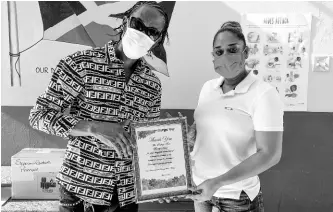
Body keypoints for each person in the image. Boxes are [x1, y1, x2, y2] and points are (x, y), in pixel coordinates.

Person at [29, 2, 173, 212]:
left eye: (152, 31)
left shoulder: (152, 85)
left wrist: (161, 179)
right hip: (80, 190)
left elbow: (146, 143)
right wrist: (94, 128)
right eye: (138, 24)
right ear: (125, 21)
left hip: (126, 194)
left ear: (157, 39)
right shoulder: (80, 64)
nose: (142, 33)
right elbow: (39, 116)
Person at [186, 21, 284, 212]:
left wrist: (218, 182)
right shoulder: (208, 88)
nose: (226, 56)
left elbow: (270, 154)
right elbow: (206, 130)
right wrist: (189, 136)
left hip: (236, 195)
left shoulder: (264, 94)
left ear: (245, 53)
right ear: (213, 55)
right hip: (200, 189)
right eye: (219, 51)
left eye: (233, 49)